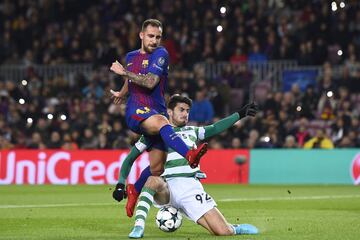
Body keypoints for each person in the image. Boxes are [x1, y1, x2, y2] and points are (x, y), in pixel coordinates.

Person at [112, 94, 259, 238]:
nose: (185, 114)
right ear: (169, 112)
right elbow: (129, 159)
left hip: (189, 187)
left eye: (187, 111)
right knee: (152, 180)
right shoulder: (154, 133)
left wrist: (239, 114)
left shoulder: (193, 131)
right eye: (181, 110)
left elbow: (215, 128)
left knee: (222, 231)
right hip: (166, 187)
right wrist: (120, 184)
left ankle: (234, 228)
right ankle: (138, 227)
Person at [109, 19, 208, 198]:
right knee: (163, 122)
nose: (154, 41)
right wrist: (123, 93)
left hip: (157, 111)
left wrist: (124, 73)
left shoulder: (160, 53)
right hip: (136, 109)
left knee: (157, 168)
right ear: (141, 35)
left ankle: (134, 190)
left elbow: (150, 82)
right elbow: (130, 79)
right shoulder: (131, 57)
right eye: (150, 36)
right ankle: (189, 155)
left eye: (158, 37)